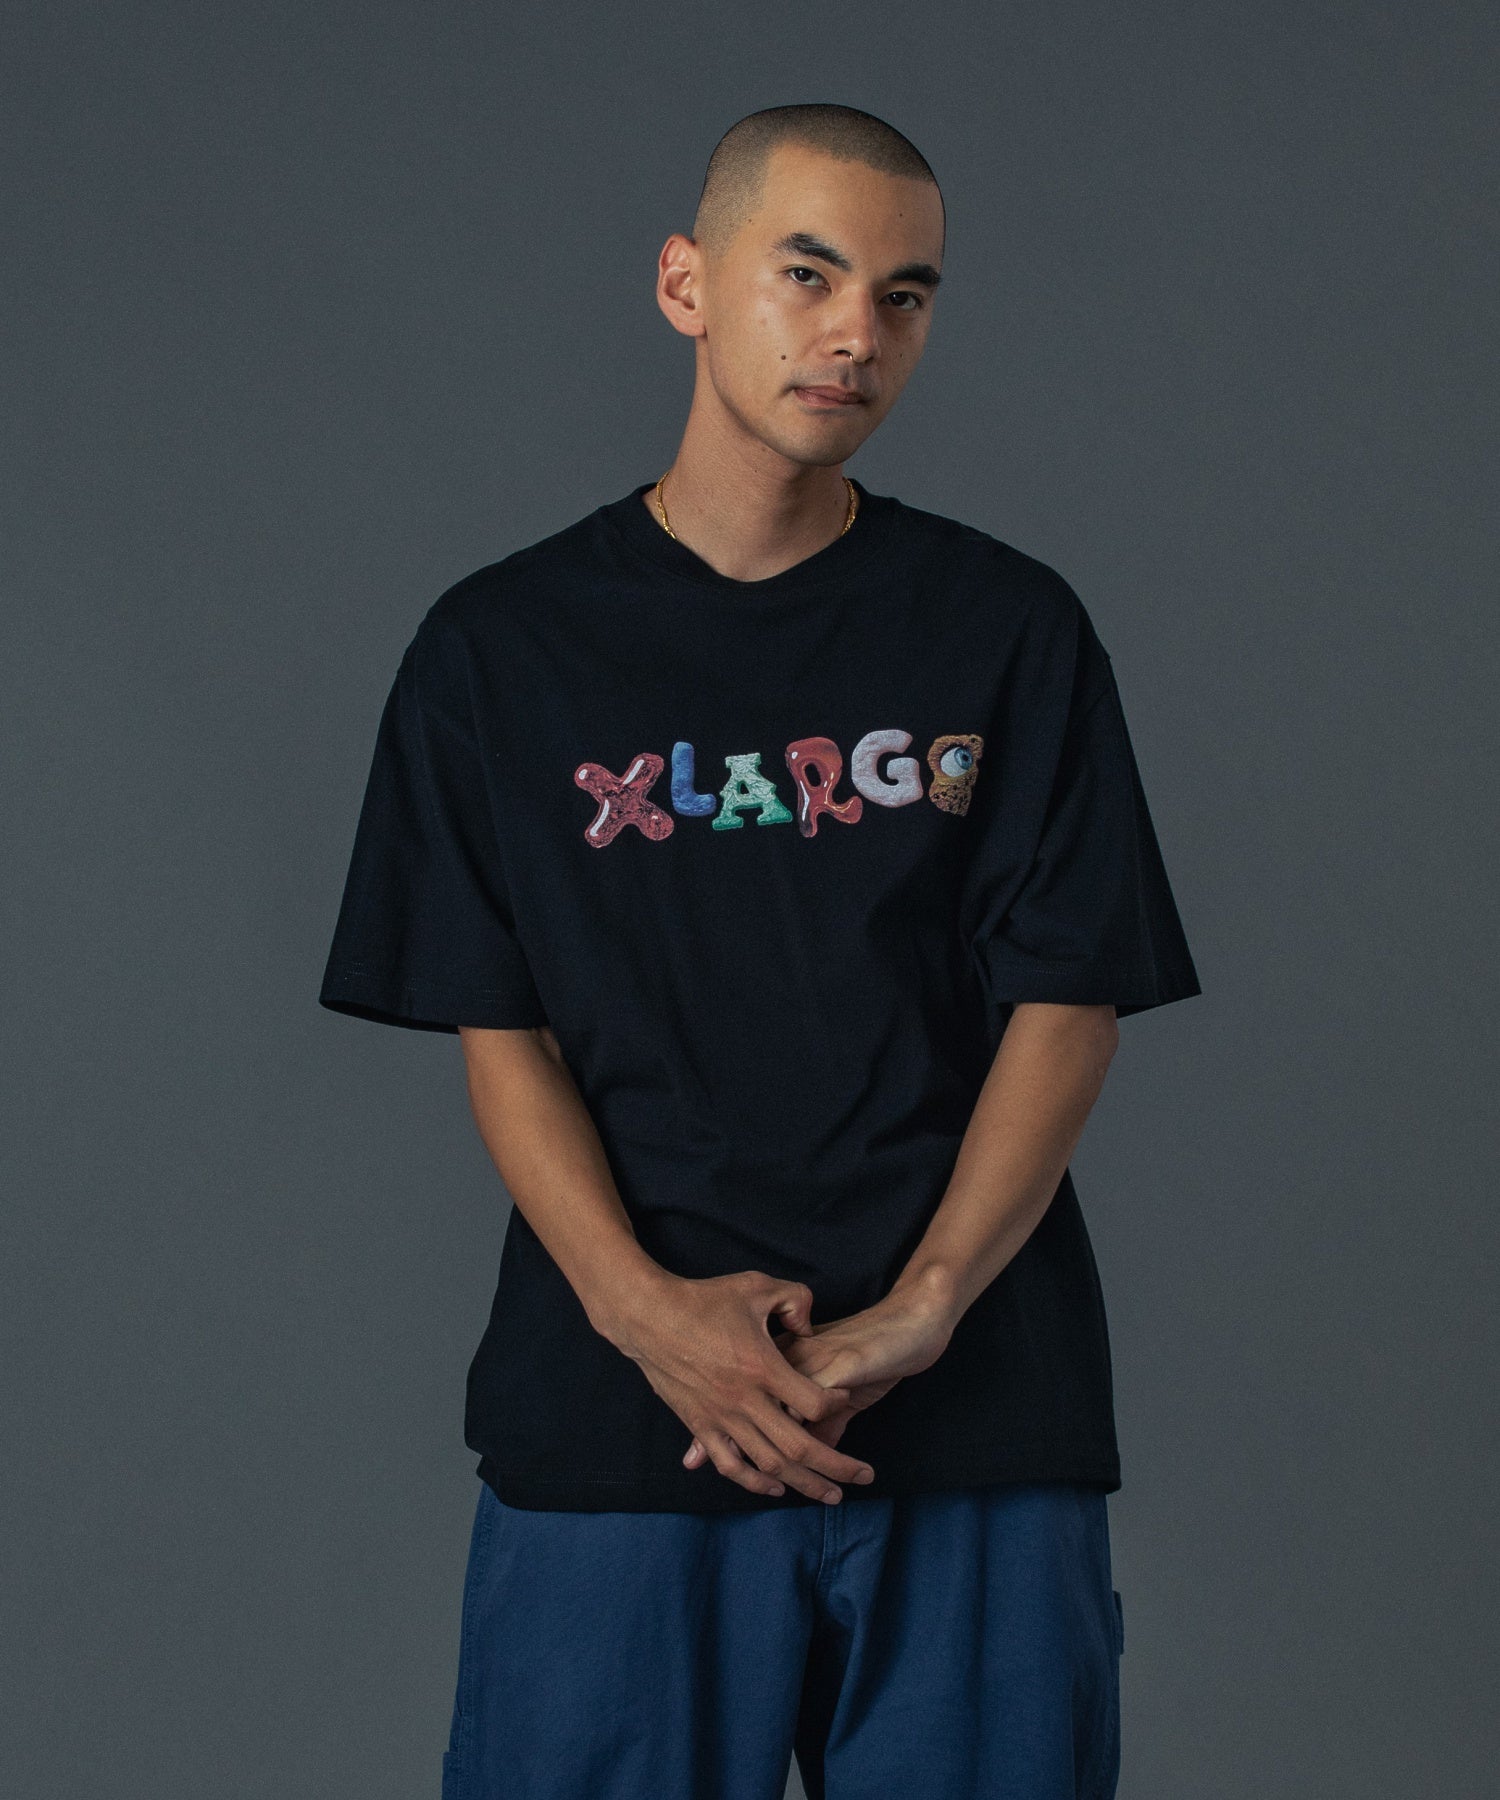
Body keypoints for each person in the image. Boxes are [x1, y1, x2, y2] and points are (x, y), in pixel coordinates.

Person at [318, 101, 1200, 1800]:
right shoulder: (501, 650)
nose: (856, 331)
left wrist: (925, 1309)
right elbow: (502, 1030)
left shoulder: (1007, 628)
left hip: (971, 1418)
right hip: (623, 1429)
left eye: (904, 294)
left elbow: (1069, 996)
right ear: (687, 284)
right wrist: (647, 1317)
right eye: (808, 274)